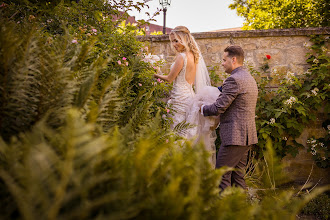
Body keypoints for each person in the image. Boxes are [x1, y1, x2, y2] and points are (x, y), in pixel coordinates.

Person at [154, 26, 219, 167]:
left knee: (175, 132)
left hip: (179, 99)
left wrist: (155, 73)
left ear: (184, 39)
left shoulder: (181, 57)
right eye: (172, 41)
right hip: (189, 97)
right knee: (187, 132)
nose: (174, 45)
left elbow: (170, 79)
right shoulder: (194, 56)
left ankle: (177, 165)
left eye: (176, 41)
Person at [201, 45, 258, 191]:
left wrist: (200, 108)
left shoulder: (234, 80)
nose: (222, 63)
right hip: (246, 136)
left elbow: (218, 107)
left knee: (222, 175)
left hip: (235, 136)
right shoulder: (248, 78)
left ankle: (222, 210)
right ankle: (242, 209)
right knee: (238, 177)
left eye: (224, 59)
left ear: (233, 60)